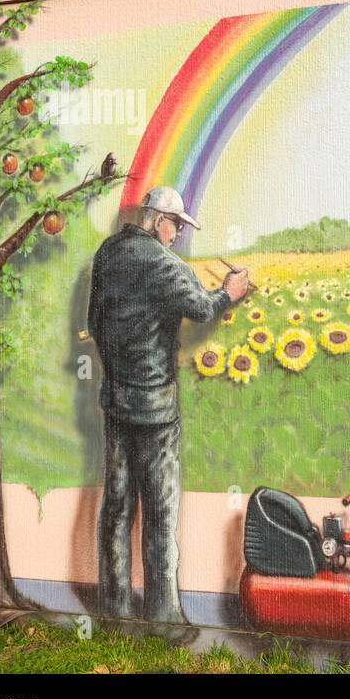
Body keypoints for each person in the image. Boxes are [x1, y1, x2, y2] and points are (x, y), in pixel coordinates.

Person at [87, 185, 248, 628]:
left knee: (117, 506)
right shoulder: (161, 263)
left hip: (116, 402)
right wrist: (230, 291)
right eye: (175, 225)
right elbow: (200, 307)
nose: (177, 234)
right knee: (160, 512)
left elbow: (94, 321)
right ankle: (164, 617)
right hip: (155, 409)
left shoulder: (107, 253)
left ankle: (114, 612)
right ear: (157, 219)